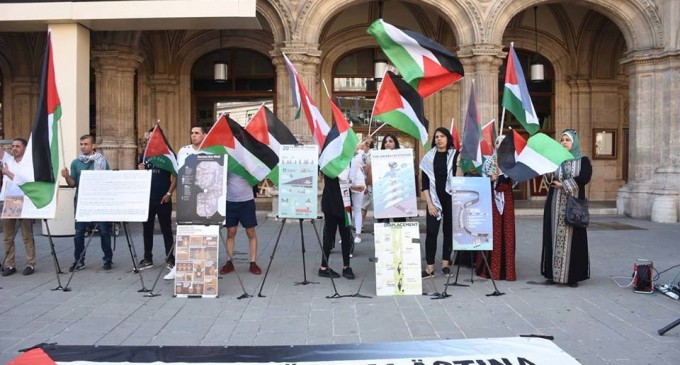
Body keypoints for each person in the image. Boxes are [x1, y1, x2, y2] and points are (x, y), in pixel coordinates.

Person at [541, 129, 592, 287]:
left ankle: (572, 277)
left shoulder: (582, 160)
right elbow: (548, 178)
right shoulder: (556, 160)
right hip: (554, 206)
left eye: (567, 140)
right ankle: (552, 274)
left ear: (574, 142)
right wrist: (546, 169)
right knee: (552, 237)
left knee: (574, 240)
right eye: (562, 140)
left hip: (573, 206)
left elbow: (585, 177)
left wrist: (564, 184)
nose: (564, 142)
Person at [61, 135, 113, 271]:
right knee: (79, 232)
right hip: (82, 201)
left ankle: (108, 259)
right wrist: (67, 177)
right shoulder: (76, 163)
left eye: (86, 144)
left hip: (98, 200)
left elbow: (108, 179)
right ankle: (79, 261)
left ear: (93, 146)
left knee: (103, 231)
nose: (83, 146)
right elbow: (73, 184)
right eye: (81, 144)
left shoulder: (101, 161)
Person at [165, 124, 206, 280]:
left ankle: (200, 266)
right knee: (184, 231)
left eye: (197, 133)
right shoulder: (183, 151)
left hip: (202, 198)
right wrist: (170, 192)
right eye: (192, 133)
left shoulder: (210, 152)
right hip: (186, 197)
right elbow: (178, 173)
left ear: (204, 135)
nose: (193, 135)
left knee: (201, 232)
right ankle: (178, 266)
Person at [475, 136, 517, 281]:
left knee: (507, 232)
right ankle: (490, 269)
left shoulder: (512, 162)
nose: (500, 146)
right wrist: (490, 178)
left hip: (507, 202)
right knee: (493, 231)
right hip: (491, 201)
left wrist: (502, 175)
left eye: (504, 143)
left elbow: (514, 182)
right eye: (498, 143)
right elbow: (481, 182)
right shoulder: (489, 162)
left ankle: (507, 271)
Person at [420, 127, 460, 278]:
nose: (439, 139)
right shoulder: (428, 158)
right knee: (431, 232)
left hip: (450, 199)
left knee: (448, 232)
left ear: (448, 138)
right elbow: (424, 184)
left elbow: (460, 176)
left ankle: (445, 264)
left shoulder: (455, 155)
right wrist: (429, 204)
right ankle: (429, 268)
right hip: (433, 201)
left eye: (442, 136)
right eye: (436, 137)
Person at [138, 128, 176, 270]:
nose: (148, 141)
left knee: (166, 229)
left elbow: (176, 176)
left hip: (163, 199)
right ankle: (148, 258)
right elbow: (139, 178)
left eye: (151, 139)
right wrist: (140, 171)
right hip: (147, 199)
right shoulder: (143, 155)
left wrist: (169, 193)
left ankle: (170, 259)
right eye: (147, 139)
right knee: (147, 229)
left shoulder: (169, 155)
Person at [0, 138, 36, 276]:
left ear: (25, 148)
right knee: (8, 235)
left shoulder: (29, 164)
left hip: (24, 199)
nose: (14, 148)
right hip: (9, 200)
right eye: (13, 146)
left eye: (17, 146)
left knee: (27, 234)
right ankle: (10, 264)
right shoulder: (8, 160)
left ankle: (30, 263)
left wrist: (7, 173)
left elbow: (24, 182)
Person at [219, 172, 262, 275]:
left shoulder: (249, 163)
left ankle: (253, 262)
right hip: (230, 201)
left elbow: (257, 177)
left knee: (250, 232)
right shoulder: (229, 162)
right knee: (231, 232)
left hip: (247, 201)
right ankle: (229, 262)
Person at [318, 168, 354, 279]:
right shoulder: (329, 163)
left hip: (345, 203)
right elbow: (336, 178)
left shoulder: (345, 162)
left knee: (346, 235)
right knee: (329, 236)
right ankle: (323, 267)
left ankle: (346, 266)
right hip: (331, 203)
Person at [376, 133, 406, 224]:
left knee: (399, 222)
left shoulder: (403, 158)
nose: (387, 143)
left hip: (398, 194)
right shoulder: (377, 158)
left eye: (390, 141)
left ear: (395, 143)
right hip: (383, 194)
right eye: (385, 142)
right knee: (383, 224)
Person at [349, 141, 368, 244]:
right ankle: (346, 235)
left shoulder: (359, 155)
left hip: (358, 184)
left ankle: (358, 234)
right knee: (347, 210)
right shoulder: (344, 157)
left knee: (357, 208)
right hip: (346, 184)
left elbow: (365, 148)